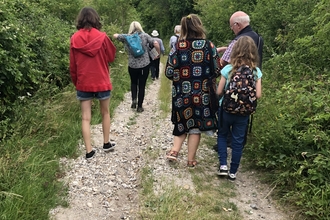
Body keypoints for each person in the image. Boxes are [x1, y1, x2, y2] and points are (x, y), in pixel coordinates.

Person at [165, 14, 221, 167]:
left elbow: (169, 72)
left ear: (183, 28)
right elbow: (217, 70)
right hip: (202, 95)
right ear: (199, 26)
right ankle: (191, 160)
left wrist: (181, 78)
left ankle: (175, 151)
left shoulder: (177, 46)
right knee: (195, 126)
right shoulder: (209, 46)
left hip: (181, 94)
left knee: (182, 122)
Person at [70, 7, 117, 160]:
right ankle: (106, 143)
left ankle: (89, 151)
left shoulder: (74, 38)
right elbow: (111, 56)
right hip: (102, 80)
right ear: (95, 19)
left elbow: (72, 65)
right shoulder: (103, 37)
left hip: (83, 81)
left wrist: (76, 82)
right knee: (105, 113)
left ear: (80, 20)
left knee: (85, 117)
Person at [214, 11, 264, 152]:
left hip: (232, 85)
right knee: (245, 108)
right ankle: (239, 141)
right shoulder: (258, 38)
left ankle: (225, 139)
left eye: (232, 26)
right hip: (252, 82)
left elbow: (223, 63)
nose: (232, 29)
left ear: (237, 25)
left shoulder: (237, 41)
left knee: (223, 105)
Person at [216, 36, 262, 180]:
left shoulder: (228, 69)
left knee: (223, 135)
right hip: (244, 113)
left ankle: (223, 165)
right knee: (238, 140)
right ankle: (233, 171)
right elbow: (258, 95)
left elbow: (219, 91)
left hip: (226, 109)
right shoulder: (256, 72)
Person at [113, 21, 160, 113]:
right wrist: (157, 54)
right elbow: (155, 43)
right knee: (142, 85)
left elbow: (115, 35)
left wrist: (122, 35)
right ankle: (139, 106)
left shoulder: (127, 37)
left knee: (133, 83)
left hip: (132, 65)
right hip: (144, 65)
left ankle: (134, 100)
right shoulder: (145, 35)